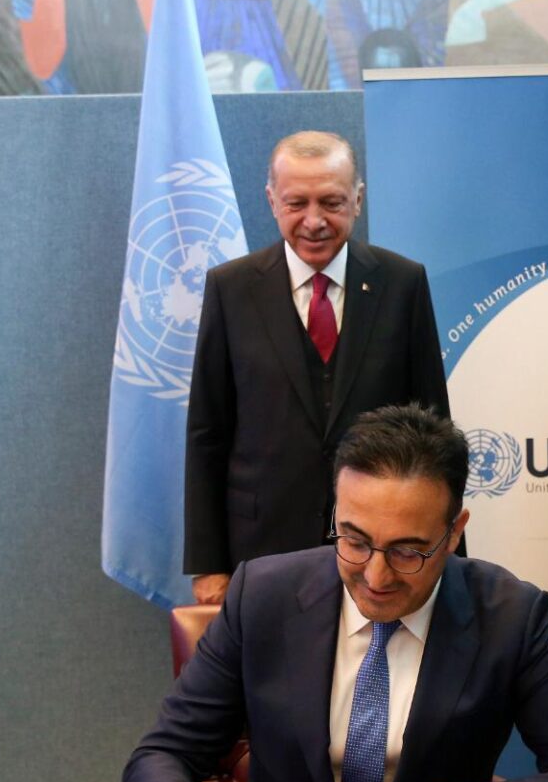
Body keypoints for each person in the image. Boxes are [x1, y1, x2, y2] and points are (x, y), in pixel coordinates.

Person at [126, 405, 548, 782]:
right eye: (354, 541)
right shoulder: (262, 596)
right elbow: (163, 753)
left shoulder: (510, 616)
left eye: (407, 551)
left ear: (454, 532)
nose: (375, 576)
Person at [184, 130, 451, 605]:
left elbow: (433, 429)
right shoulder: (231, 289)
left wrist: (442, 556)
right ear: (272, 201)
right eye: (296, 203)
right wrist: (209, 565)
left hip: (381, 556)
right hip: (261, 551)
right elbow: (208, 434)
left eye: (331, 202)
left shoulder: (403, 284)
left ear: (358, 199)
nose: (314, 221)